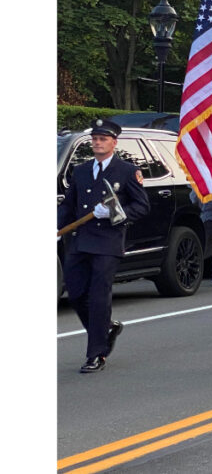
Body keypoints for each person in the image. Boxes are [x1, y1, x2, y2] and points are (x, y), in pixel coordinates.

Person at [57, 119, 150, 373]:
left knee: (98, 298)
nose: (98, 142)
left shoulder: (127, 171)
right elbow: (68, 204)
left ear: (114, 143)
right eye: (95, 139)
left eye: (103, 139)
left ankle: (96, 353)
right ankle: (105, 328)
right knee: (76, 294)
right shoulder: (81, 170)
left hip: (108, 242)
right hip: (81, 240)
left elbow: (141, 206)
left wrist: (111, 212)